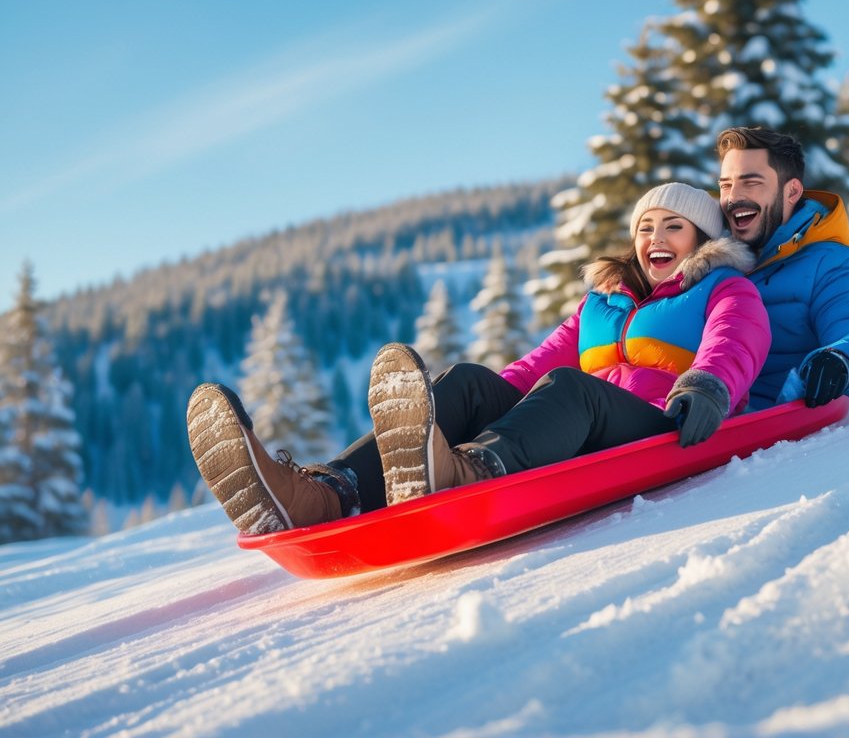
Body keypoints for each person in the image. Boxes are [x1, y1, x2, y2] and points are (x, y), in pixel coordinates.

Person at [186, 182, 771, 535]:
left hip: (661, 423)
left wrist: (705, 388)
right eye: (645, 227)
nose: (655, 238)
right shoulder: (603, 303)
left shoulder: (724, 290)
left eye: (674, 225)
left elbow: (733, 345)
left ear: (702, 239)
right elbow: (529, 369)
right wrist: (475, 399)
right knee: (469, 380)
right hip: (588, 422)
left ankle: (469, 471)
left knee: (571, 386)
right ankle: (322, 494)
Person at [715, 126, 849, 411]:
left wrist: (842, 360)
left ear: (792, 191)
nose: (732, 197)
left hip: (767, 419)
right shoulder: (711, 263)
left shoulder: (830, 264)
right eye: (726, 185)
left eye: (750, 182)